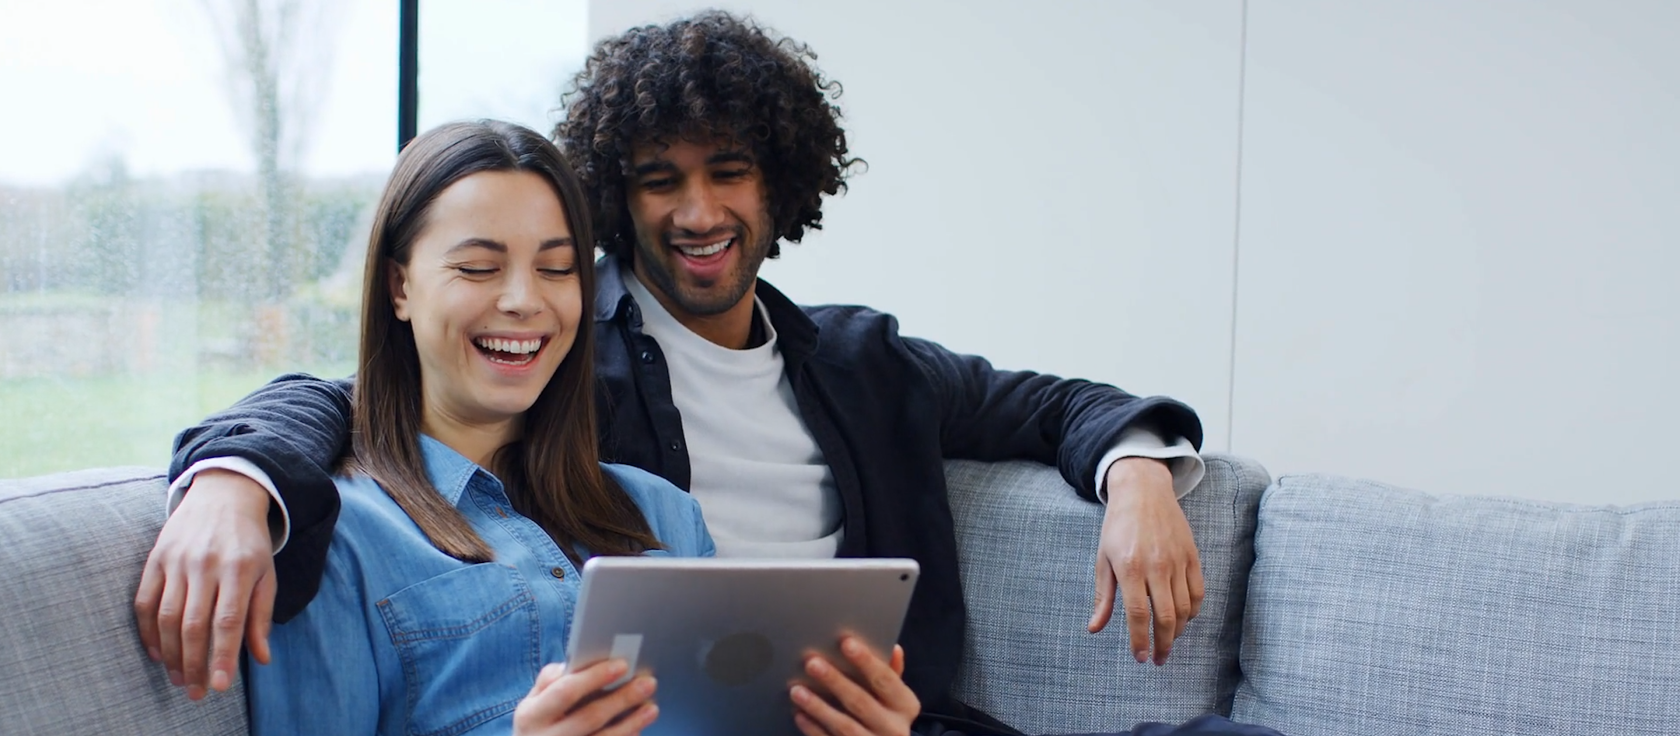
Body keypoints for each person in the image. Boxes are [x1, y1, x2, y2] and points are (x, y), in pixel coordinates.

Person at [138, 11, 1248, 735]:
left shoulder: (853, 367)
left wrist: (1139, 473)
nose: (698, 211)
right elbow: (373, 400)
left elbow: (1054, 406)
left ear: (782, 187)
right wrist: (239, 476)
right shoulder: (574, 369)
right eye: (660, 180)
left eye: (730, 172)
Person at [236, 118, 918, 735]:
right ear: (399, 286)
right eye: (479, 267)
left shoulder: (665, 517)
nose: (523, 300)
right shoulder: (334, 535)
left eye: (557, 269)